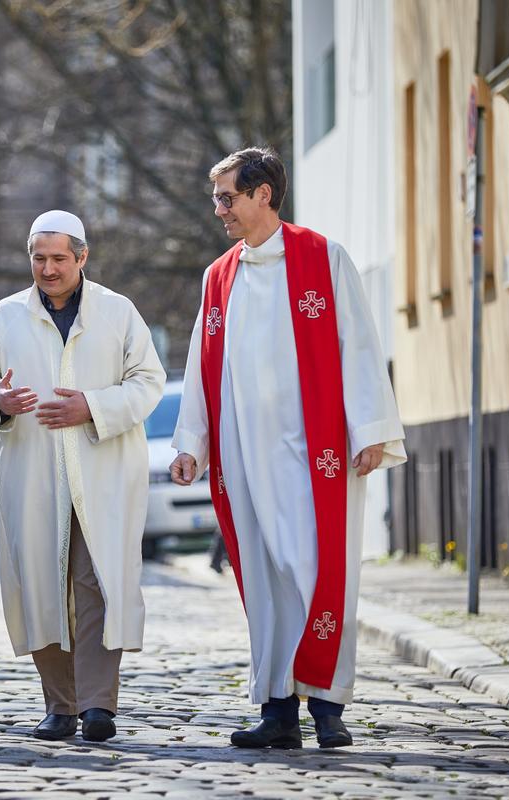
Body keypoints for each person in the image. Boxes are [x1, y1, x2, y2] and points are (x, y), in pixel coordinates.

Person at [171, 147, 406, 749]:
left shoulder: (323, 257)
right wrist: (192, 443)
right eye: (217, 198)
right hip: (245, 453)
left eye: (227, 197)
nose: (219, 210)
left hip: (314, 453)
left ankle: (328, 706)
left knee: (317, 571)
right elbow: (201, 365)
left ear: (263, 196)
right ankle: (278, 711)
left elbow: (358, 342)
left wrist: (371, 430)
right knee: (265, 577)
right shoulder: (218, 275)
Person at [0, 210, 165, 743]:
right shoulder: (5, 316)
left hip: (104, 470)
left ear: (82, 257)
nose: (48, 269)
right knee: (41, 584)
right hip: (32, 472)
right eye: (39, 258)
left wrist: (92, 407)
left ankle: (99, 705)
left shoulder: (118, 312)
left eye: (58, 258)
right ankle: (59, 705)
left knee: (96, 582)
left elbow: (149, 382)